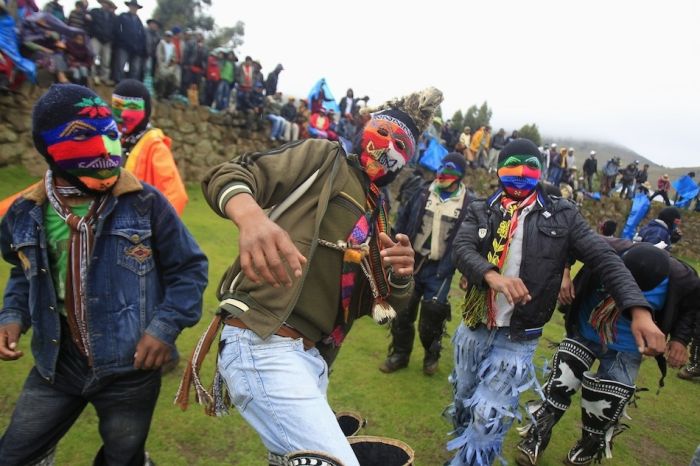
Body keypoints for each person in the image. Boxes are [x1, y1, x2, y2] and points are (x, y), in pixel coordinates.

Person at [176, 87, 443, 466]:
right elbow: (230, 174)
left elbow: (375, 305)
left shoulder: (378, 211)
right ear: (366, 127)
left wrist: (399, 274)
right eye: (382, 133)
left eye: (401, 144)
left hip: (312, 360)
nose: (387, 148)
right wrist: (251, 218)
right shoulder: (325, 158)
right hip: (263, 341)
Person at [0, 84, 207, 465]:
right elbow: (22, 272)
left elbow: (189, 269)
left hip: (131, 370)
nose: (104, 144)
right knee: (13, 453)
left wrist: (163, 329)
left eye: (110, 131)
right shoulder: (25, 212)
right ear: (49, 149)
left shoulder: (146, 204)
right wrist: (13, 316)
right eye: (81, 134)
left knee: (123, 456)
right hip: (57, 366)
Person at [446, 139, 665, 466]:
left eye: (530, 166)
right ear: (498, 170)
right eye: (513, 166)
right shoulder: (482, 208)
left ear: (542, 170)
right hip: (476, 326)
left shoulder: (563, 216)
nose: (521, 174)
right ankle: (464, 449)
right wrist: (493, 276)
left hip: (518, 338)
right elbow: (462, 249)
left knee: (487, 413)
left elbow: (606, 257)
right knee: (464, 402)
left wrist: (639, 309)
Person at [516, 241, 699, 466]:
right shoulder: (605, 248)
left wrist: (680, 339)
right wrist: (564, 273)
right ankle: (536, 438)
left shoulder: (683, 279)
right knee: (559, 385)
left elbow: (692, 307)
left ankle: (586, 449)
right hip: (585, 331)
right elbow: (566, 241)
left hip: (628, 348)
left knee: (605, 405)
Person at [379, 153, 472, 376]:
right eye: (441, 170)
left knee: (432, 315)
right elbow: (402, 220)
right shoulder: (422, 193)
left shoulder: (468, 204)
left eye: (449, 171)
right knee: (402, 311)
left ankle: (431, 356)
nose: (442, 175)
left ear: (459, 176)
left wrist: (468, 271)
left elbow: (471, 241)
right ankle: (400, 355)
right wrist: (393, 247)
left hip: (440, 269)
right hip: (412, 262)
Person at [111, 79, 188, 215]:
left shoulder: (155, 147)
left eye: (133, 107)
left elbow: (176, 195)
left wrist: (157, 228)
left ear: (145, 110)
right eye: (117, 105)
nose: (123, 114)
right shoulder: (113, 141)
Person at [86, 0, 117, 86]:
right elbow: (88, 22)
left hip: (107, 41)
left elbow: (114, 29)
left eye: (107, 3)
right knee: (93, 56)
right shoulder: (94, 11)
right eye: (104, 2)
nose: (105, 4)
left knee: (106, 60)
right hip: (96, 38)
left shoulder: (112, 16)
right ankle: (93, 75)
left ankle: (104, 78)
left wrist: (111, 38)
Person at [114, 0, 146, 82]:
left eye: (135, 7)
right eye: (132, 6)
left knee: (135, 69)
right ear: (129, 6)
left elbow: (142, 36)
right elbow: (117, 29)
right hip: (123, 46)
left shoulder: (139, 21)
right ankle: (118, 82)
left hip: (136, 49)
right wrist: (120, 41)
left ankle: (132, 85)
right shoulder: (122, 16)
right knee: (120, 66)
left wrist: (140, 48)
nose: (134, 8)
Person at [154, 30, 178, 99]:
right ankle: (159, 94)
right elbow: (158, 55)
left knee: (173, 79)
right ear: (165, 36)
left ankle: (167, 95)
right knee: (161, 79)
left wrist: (171, 63)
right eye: (167, 36)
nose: (168, 38)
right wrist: (162, 64)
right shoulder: (161, 44)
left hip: (170, 66)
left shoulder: (173, 46)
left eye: (170, 36)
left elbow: (174, 57)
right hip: (161, 65)